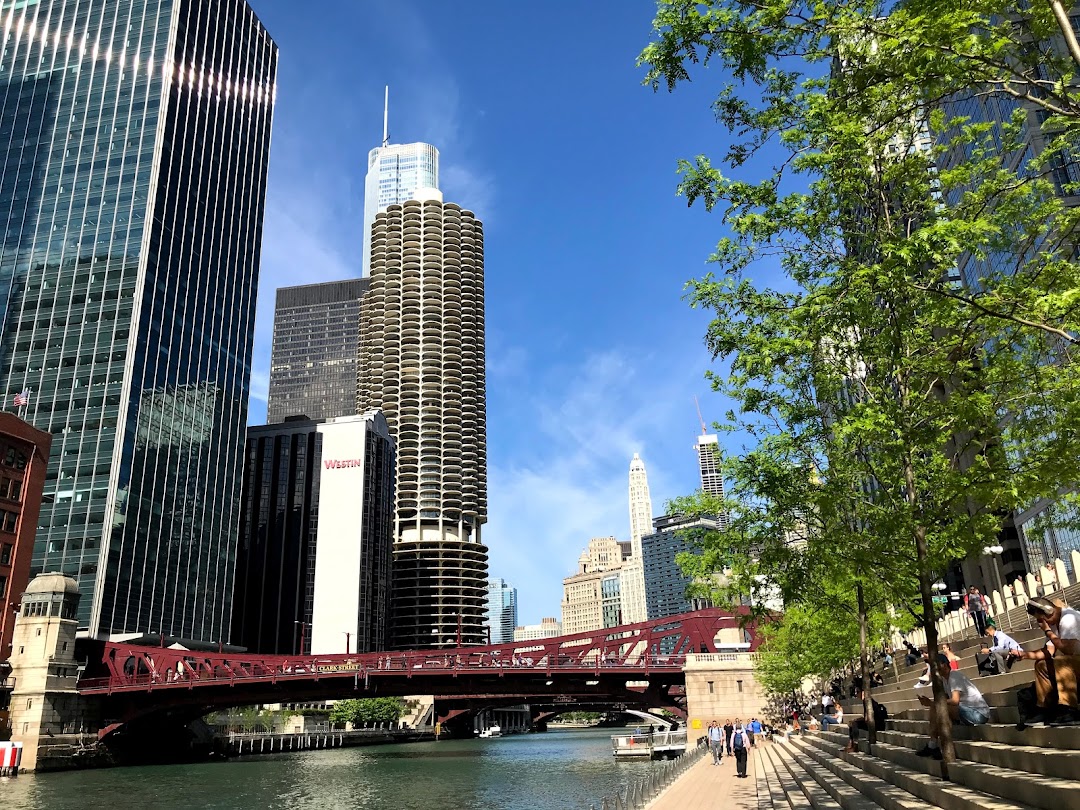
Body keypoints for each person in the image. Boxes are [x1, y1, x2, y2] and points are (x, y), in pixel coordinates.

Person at [1009, 597, 1080, 724]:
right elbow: (1049, 651)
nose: (1042, 623)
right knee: (1041, 665)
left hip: (1075, 659)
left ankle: (1069, 708)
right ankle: (1043, 708)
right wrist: (1024, 655)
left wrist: (1047, 631)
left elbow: (1068, 649)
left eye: (1042, 619)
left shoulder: (1069, 618)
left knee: (1060, 662)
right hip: (1075, 662)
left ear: (1049, 611)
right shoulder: (1053, 624)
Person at [916, 654, 990, 759]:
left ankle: (936, 745)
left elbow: (955, 701)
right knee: (937, 708)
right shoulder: (945, 680)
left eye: (936, 666)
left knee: (937, 707)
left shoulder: (954, 676)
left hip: (978, 713)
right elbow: (945, 701)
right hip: (966, 711)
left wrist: (932, 703)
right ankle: (935, 745)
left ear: (944, 665)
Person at [845, 687, 888, 753]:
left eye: (857, 692)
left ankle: (855, 746)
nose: (856, 695)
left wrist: (856, 720)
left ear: (863, 692)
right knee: (853, 723)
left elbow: (866, 719)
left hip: (877, 724)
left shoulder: (867, 701)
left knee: (854, 724)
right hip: (874, 723)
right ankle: (851, 744)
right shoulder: (867, 701)